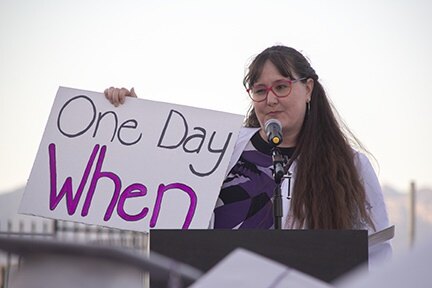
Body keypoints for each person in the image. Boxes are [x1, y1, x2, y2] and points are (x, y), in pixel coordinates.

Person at [104, 45, 392, 266]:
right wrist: (133, 117)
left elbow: (377, 253)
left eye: (281, 86)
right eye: (259, 90)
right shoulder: (217, 147)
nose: (270, 99)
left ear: (308, 88)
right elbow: (159, 188)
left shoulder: (350, 167)